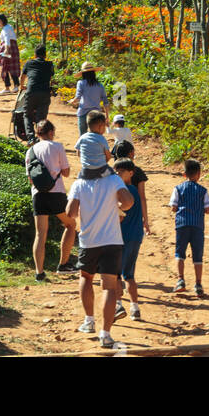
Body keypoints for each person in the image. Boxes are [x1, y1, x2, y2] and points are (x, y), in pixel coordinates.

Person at [66, 161, 134, 348]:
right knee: (109, 287)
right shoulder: (113, 180)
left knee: (86, 278)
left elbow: (70, 213)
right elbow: (128, 203)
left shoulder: (79, 183)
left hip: (89, 241)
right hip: (112, 240)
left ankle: (89, 321)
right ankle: (105, 333)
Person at [25, 119, 77, 282]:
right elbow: (67, 173)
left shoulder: (30, 151)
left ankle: (39, 273)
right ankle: (63, 264)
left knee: (40, 234)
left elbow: (30, 180)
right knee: (70, 225)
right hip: (56, 193)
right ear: (51, 132)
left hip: (38, 195)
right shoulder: (57, 147)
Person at [170, 158, 209, 296]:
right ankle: (198, 284)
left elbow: (173, 207)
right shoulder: (203, 191)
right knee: (197, 256)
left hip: (182, 224)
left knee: (179, 253)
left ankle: (180, 280)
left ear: (184, 174)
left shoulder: (178, 188)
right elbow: (208, 209)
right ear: (199, 174)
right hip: (197, 226)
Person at [114, 157, 145, 320]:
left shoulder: (123, 192)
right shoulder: (135, 191)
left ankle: (118, 305)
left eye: (121, 171)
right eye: (116, 171)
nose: (118, 174)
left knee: (116, 273)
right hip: (136, 236)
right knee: (130, 274)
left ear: (131, 173)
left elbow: (120, 216)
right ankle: (135, 307)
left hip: (122, 237)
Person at [112, 140, 151, 236]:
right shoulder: (137, 171)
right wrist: (145, 220)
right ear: (131, 153)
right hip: (135, 212)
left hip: (119, 211)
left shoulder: (114, 171)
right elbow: (142, 197)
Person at [19, 44, 55, 139]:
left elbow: (22, 77)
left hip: (31, 91)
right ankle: (41, 138)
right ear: (45, 55)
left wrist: (21, 86)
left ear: (35, 55)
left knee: (27, 115)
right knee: (41, 118)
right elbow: (51, 79)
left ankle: (31, 138)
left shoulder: (29, 63)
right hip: (45, 93)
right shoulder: (49, 64)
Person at [69, 62, 109, 135]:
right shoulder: (100, 85)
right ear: (93, 73)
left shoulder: (81, 83)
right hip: (96, 114)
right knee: (96, 135)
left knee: (83, 135)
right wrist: (107, 116)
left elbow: (78, 98)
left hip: (83, 112)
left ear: (83, 73)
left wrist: (72, 101)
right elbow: (105, 102)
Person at [75, 110, 112, 178]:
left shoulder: (82, 137)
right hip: (101, 169)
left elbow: (78, 153)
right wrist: (102, 163)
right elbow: (108, 156)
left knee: (80, 176)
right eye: (104, 126)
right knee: (113, 174)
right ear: (100, 126)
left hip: (86, 170)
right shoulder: (101, 139)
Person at [0, 13, 21, 94]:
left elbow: (7, 39)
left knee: (5, 66)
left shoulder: (6, 29)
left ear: (2, 21)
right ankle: (15, 86)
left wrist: (6, 49)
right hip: (12, 48)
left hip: (9, 49)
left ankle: (7, 87)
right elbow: (5, 40)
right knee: (11, 66)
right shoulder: (8, 27)